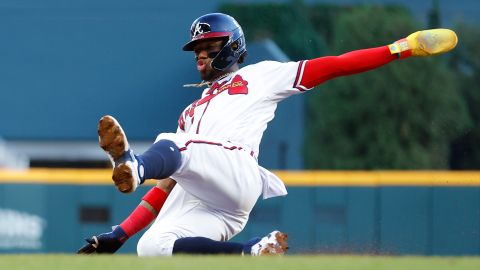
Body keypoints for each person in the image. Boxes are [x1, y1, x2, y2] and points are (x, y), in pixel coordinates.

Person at [78, 13, 457, 256]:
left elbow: (335, 65)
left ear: (232, 48)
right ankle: (254, 251)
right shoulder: (190, 111)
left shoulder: (259, 76)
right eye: (197, 50)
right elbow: (169, 185)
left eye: (208, 47)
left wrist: (400, 48)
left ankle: (135, 164)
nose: (199, 56)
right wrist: (121, 234)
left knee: (175, 145)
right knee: (153, 247)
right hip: (218, 207)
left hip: (238, 173)